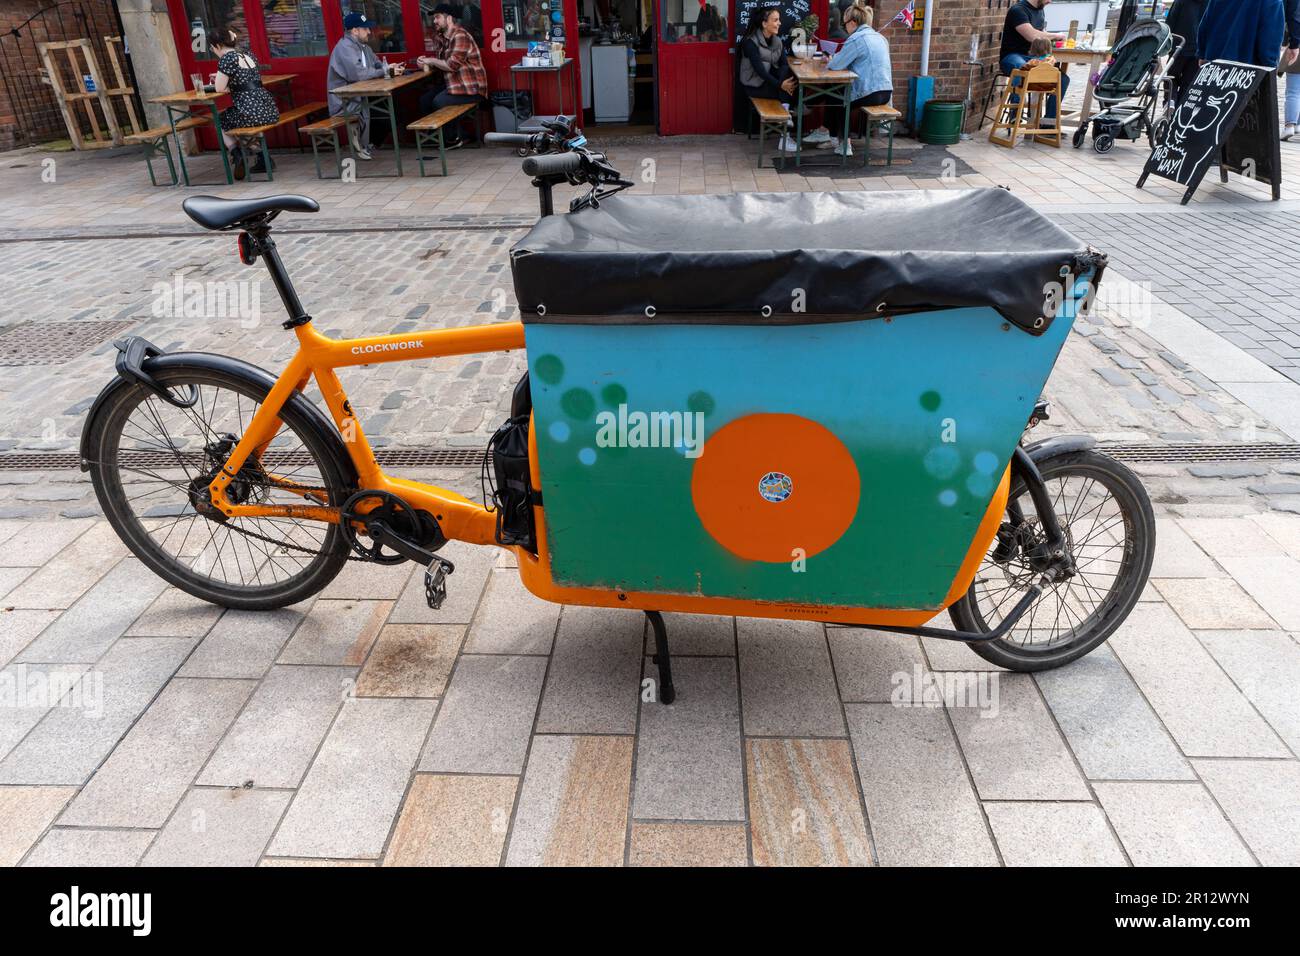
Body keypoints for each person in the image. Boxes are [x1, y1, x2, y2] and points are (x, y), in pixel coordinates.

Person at [327, 11, 406, 161]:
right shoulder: (345, 48)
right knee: (386, 112)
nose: (369, 32)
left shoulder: (364, 47)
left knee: (395, 107)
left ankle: (369, 143)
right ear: (355, 31)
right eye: (365, 29)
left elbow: (377, 64)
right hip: (345, 101)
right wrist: (384, 70)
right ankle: (365, 144)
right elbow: (358, 75)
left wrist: (390, 67)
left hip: (362, 96)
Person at [416, 3, 489, 150]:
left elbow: (451, 65)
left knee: (439, 102)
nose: (434, 21)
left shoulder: (460, 35)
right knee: (424, 100)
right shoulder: (443, 38)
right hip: (455, 84)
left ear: (449, 18)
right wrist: (424, 62)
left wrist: (431, 61)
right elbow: (441, 63)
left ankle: (454, 137)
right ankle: (438, 137)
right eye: (434, 18)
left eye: (437, 17)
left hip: (472, 88)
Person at [826, 2, 893, 157]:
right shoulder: (880, 37)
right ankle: (830, 134)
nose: (844, 28)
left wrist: (830, 58)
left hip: (869, 92)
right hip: (886, 92)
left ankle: (844, 144)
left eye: (845, 24)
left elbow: (836, 65)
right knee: (837, 93)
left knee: (838, 97)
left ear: (853, 23)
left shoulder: (857, 38)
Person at [210, 27, 278, 180]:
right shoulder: (248, 54)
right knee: (239, 122)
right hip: (268, 110)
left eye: (212, 47)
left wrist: (221, 80)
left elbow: (219, 88)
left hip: (250, 113)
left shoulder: (226, 59)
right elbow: (245, 78)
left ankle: (236, 153)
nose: (213, 50)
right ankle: (262, 157)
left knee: (220, 120)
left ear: (218, 46)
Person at [999, 0, 1069, 127]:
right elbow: (1032, 36)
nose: (1050, 2)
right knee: (1022, 68)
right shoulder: (1018, 10)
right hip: (1012, 56)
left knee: (1062, 78)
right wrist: (1056, 35)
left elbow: (1040, 40)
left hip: (1033, 57)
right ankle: (1015, 114)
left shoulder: (1040, 10)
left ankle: (1048, 123)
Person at [740, 8, 798, 151]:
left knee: (790, 81)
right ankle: (785, 132)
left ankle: (786, 114)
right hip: (754, 86)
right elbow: (760, 72)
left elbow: (784, 63)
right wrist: (780, 85)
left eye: (779, 19)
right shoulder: (750, 43)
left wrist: (783, 81)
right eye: (775, 20)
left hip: (768, 82)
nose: (779, 23)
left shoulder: (777, 41)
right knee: (789, 92)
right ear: (764, 24)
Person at [1195, 0, 1285, 68]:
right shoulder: (1272, 2)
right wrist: (1270, 65)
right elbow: (1269, 42)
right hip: (1247, 72)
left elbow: (1204, 26)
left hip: (1213, 63)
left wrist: (1202, 54)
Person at [1163, 0, 1206, 103]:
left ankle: (1170, 101)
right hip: (1197, 50)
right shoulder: (1209, 2)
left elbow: (1170, 23)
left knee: (1171, 77)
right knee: (1188, 82)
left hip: (1179, 47)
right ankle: (1180, 108)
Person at [1284, 0, 1300, 138]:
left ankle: (1290, 125)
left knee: (1293, 90)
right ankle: (1299, 124)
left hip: (1298, 42)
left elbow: (1294, 15)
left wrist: (1294, 43)